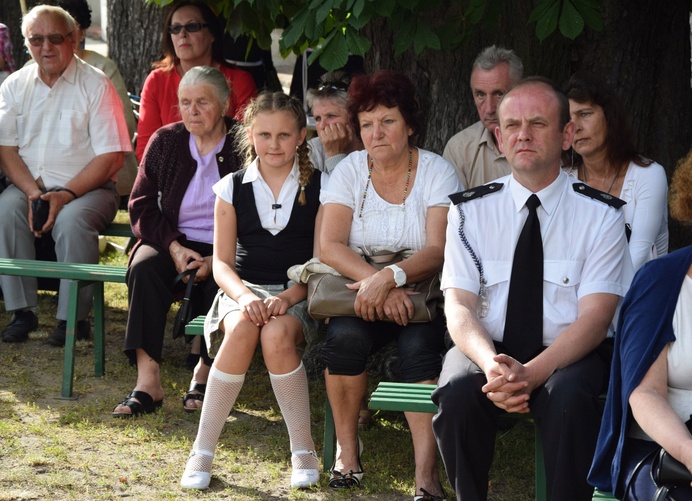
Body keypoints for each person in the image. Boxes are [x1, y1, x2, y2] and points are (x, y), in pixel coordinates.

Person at [432, 77, 632, 500]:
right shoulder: (469, 212)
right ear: (499, 138)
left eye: (538, 124)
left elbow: (596, 318)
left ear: (566, 136)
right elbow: (459, 306)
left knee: (569, 399)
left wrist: (532, 374)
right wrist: (491, 366)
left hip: (567, 352)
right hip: (491, 349)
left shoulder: (601, 216)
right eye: (513, 125)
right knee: (456, 392)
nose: (523, 134)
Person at [319, 70, 461, 500]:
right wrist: (377, 283)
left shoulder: (438, 171)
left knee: (419, 352)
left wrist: (394, 277)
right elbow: (329, 245)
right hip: (360, 291)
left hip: (421, 292)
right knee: (342, 341)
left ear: (410, 124)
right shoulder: (347, 170)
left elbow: (438, 249)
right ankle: (347, 454)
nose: (375, 133)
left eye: (387, 121)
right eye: (366, 124)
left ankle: (425, 474)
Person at [589, 136, 692, 500]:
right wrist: (691, 454)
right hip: (664, 450)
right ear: (691, 206)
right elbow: (644, 393)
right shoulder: (658, 282)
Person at [180, 92, 321, 490]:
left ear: (300, 137)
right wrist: (245, 297)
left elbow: (323, 258)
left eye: (283, 135)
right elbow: (221, 263)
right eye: (264, 134)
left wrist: (289, 297)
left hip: (299, 291)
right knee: (242, 326)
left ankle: (303, 449)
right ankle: (202, 450)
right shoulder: (231, 187)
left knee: (277, 334)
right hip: (244, 291)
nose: (273, 144)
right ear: (249, 135)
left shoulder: (322, 187)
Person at [112, 66, 243, 417]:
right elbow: (139, 205)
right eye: (185, 102)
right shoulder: (166, 141)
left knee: (225, 279)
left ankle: (204, 372)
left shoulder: (245, 143)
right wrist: (173, 247)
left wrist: (217, 258)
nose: (192, 111)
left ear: (225, 104)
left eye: (203, 102)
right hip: (173, 237)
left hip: (229, 240)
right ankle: (147, 380)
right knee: (142, 268)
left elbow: (258, 209)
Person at [0, 5, 131, 345]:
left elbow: (110, 156)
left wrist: (66, 194)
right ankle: (22, 311)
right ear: (26, 43)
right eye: (36, 39)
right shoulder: (14, 85)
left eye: (55, 38)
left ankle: (73, 319)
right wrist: (31, 191)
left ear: (73, 39)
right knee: (5, 210)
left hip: (89, 190)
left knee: (72, 222)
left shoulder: (97, 84)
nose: (46, 47)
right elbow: (6, 150)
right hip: (30, 185)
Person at [564, 71, 669, 271]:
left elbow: (638, 256)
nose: (576, 127)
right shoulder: (563, 178)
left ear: (610, 118)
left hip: (638, 295)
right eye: (568, 120)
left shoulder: (648, 175)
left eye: (585, 114)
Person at [135, 0, 257, 162]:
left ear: (212, 34)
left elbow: (247, 144)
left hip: (227, 177)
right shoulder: (156, 81)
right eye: (175, 28)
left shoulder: (239, 80)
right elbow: (146, 148)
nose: (182, 34)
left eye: (192, 27)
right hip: (169, 179)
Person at [52, 0, 138, 199]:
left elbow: (124, 128)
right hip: (49, 177)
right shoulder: (32, 69)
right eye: (56, 32)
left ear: (83, 33)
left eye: (70, 30)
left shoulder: (103, 69)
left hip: (103, 178)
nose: (61, 39)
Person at [442, 45, 523, 189]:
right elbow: (457, 210)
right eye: (480, 95)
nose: (489, 108)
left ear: (521, 91)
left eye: (499, 94)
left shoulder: (544, 142)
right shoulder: (459, 149)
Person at [306, 71, 363, 177]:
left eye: (331, 116)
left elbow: (345, 192)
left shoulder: (372, 148)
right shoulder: (311, 150)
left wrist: (334, 155)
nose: (322, 126)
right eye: (318, 118)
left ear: (353, 117)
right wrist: (334, 154)